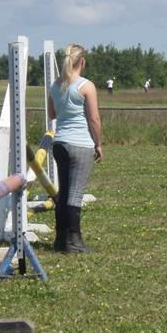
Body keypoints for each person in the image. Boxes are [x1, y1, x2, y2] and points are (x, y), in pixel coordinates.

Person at [47, 44, 103, 253]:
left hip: (60, 143)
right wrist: (98, 143)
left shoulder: (56, 85)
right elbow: (94, 119)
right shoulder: (86, 86)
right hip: (80, 144)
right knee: (75, 193)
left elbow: (52, 114)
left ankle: (60, 239)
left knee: (64, 192)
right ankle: (74, 240)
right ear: (83, 62)